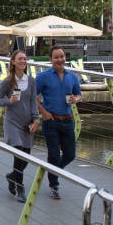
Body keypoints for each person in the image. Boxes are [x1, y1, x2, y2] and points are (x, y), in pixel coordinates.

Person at [36, 46, 81, 199]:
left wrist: (76, 99)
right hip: (51, 121)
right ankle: (54, 184)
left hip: (67, 120)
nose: (59, 60)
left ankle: (52, 171)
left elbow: (79, 95)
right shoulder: (43, 77)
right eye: (56, 57)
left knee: (70, 154)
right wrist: (44, 113)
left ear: (65, 58)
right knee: (54, 154)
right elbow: (33, 97)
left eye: (61, 56)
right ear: (50, 60)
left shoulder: (72, 77)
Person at [0, 50, 39, 203]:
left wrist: (36, 120)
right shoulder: (8, 82)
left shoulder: (31, 81)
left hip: (27, 123)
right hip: (12, 122)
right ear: (13, 62)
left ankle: (12, 176)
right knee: (19, 153)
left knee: (26, 156)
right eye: (20, 59)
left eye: (25, 59)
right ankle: (20, 187)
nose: (23, 61)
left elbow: (33, 102)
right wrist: (9, 101)